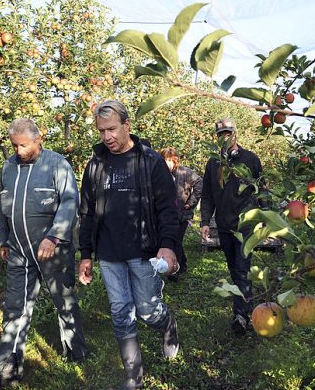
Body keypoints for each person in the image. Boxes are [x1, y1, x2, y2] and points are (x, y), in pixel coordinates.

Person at [78, 100, 180, 390]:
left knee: (147, 310)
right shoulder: (96, 164)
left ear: (127, 125)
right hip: (109, 252)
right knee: (121, 311)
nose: (107, 137)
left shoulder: (150, 161)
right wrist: (86, 254)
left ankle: (168, 324)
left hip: (144, 251)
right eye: (101, 131)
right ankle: (133, 376)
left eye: (111, 129)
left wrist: (168, 245)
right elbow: (86, 212)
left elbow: (168, 208)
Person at [0, 118, 89, 389]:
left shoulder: (56, 164)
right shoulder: (8, 167)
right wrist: (3, 240)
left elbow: (70, 202)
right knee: (15, 306)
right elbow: (3, 207)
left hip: (52, 250)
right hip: (20, 249)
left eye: (24, 145)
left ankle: (75, 350)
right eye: (15, 145)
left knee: (63, 300)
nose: (19, 151)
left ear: (39, 138)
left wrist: (54, 236)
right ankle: (9, 364)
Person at [199, 118, 263, 336]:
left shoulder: (250, 159)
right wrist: (206, 222)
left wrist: (266, 219)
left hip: (246, 226)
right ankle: (246, 304)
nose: (225, 137)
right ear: (217, 138)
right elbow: (207, 194)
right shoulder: (214, 163)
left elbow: (261, 190)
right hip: (225, 226)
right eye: (221, 134)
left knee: (242, 268)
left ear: (236, 134)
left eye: (229, 133)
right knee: (235, 269)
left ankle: (241, 316)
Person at [158, 147, 203, 282]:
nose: (168, 163)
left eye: (171, 160)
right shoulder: (159, 173)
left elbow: (200, 182)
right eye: (166, 160)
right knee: (173, 240)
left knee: (176, 240)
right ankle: (182, 263)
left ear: (175, 161)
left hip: (181, 214)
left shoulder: (184, 172)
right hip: (166, 214)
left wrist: (191, 202)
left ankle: (174, 271)